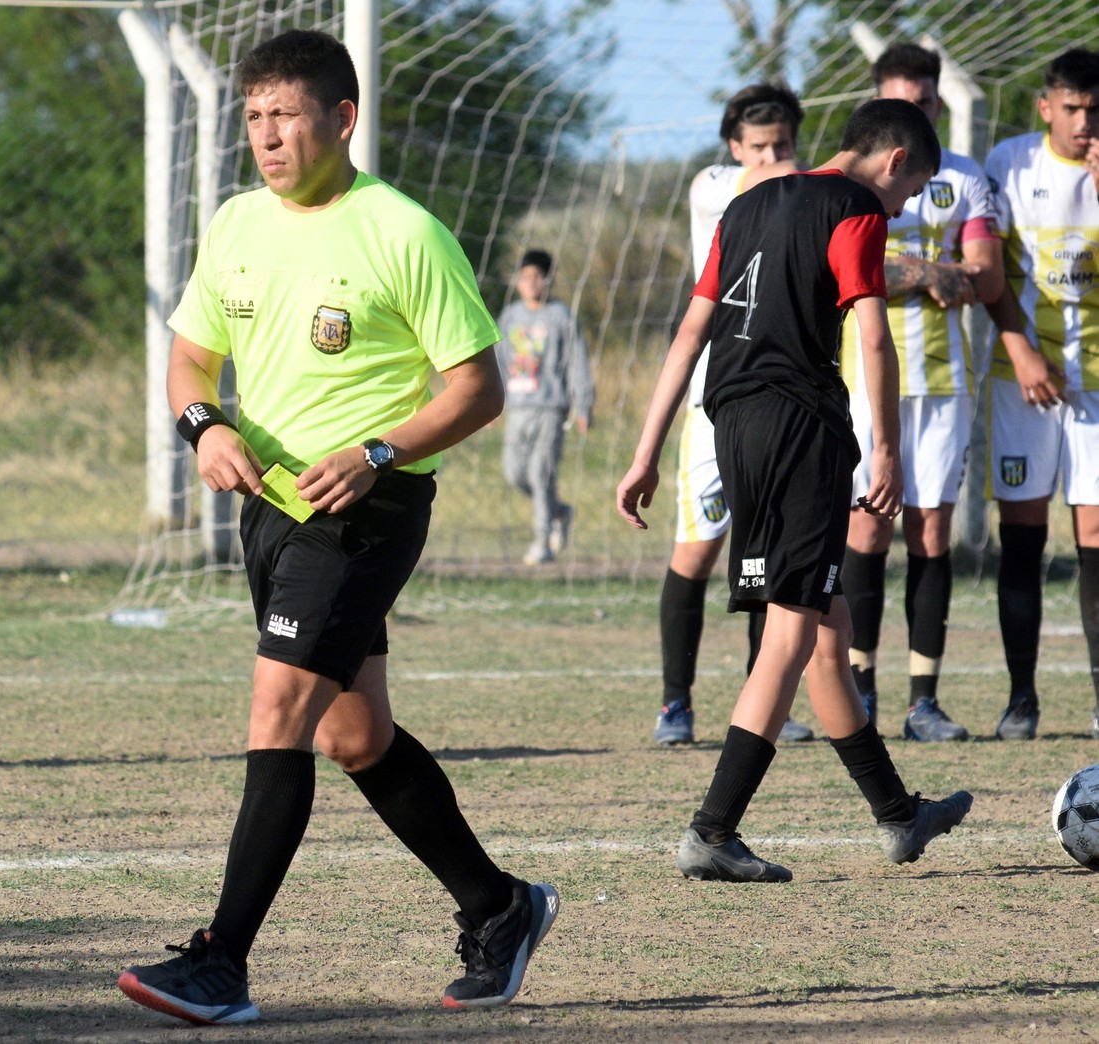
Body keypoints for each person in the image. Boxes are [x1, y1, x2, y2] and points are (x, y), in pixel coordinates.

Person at [116, 30, 558, 1026]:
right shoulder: (235, 224)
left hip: (362, 512)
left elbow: (476, 388)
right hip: (268, 516)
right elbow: (189, 360)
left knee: (276, 718)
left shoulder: (401, 232)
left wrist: (376, 453)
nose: (267, 137)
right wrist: (201, 426)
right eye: (254, 119)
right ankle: (500, 907)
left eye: (285, 115)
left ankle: (220, 964)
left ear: (341, 118)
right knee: (356, 734)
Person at [616, 98, 973, 883]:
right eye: (909, 192)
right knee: (790, 633)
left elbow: (689, 334)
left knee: (822, 627)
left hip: (732, 423)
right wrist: (886, 450)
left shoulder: (745, 205)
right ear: (893, 162)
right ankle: (711, 831)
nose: (903, 204)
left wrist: (644, 453)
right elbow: (871, 335)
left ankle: (898, 816)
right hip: (799, 429)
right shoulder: (852, 208)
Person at [838, 44, 1001, 742]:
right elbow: (851, 268)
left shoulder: (962, 178)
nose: (919, 113)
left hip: (941, 381)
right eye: (904, 103)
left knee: (930, 533)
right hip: (861, 378)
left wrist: (911, 268)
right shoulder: (848, 184)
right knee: (864, 528)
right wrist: (929, 270)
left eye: (928, 102)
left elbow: (984, 279)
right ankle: (861, 690)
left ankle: (922, 701)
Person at [653, 83, 816, 746]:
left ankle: (764, 701)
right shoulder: (712, 186)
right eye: (758, 146)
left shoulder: (808, 195)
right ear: (733, 148)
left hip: (780, 398)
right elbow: (765, 184)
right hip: (712, 398)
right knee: (695, 552)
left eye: (782, 144)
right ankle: (674, 705)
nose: (772, 156)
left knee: (770, 551)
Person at [981, 48, 1099, 741]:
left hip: (1096, 387)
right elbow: (988, 269)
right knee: (1022, 532)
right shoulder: (1009, 161)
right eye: (1073, 109)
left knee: (1093, 533)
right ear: (1045, 106)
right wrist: (1019, 347)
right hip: (1022, 384)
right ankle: (1019, 699)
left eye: (1095, 111)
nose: (1085, 124)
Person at [494, 248, 593, 565]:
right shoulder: (510, 316)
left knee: (541, 473)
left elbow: (578, 361)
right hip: (517, 408)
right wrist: (491, 403)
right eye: (525, 277)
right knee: (514, 472)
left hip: (551, 408)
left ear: (548, 280)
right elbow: (496, 360)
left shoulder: (561, 316)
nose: (531, 283)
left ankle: (542, 542)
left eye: (537, 277)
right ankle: (560, 512)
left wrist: (584, 405)